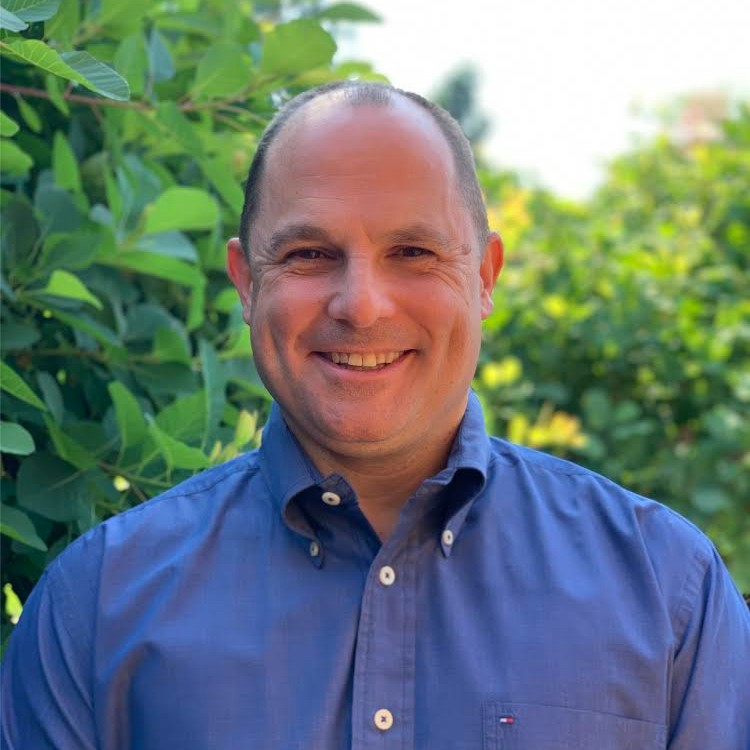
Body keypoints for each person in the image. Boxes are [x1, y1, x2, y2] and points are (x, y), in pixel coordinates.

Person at [2, 81, 748, 750]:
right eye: (308, 254)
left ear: (484, 277)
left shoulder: (669, 594)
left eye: (414, 252)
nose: (360, 305)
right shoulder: (95, 608)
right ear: (246, 282)